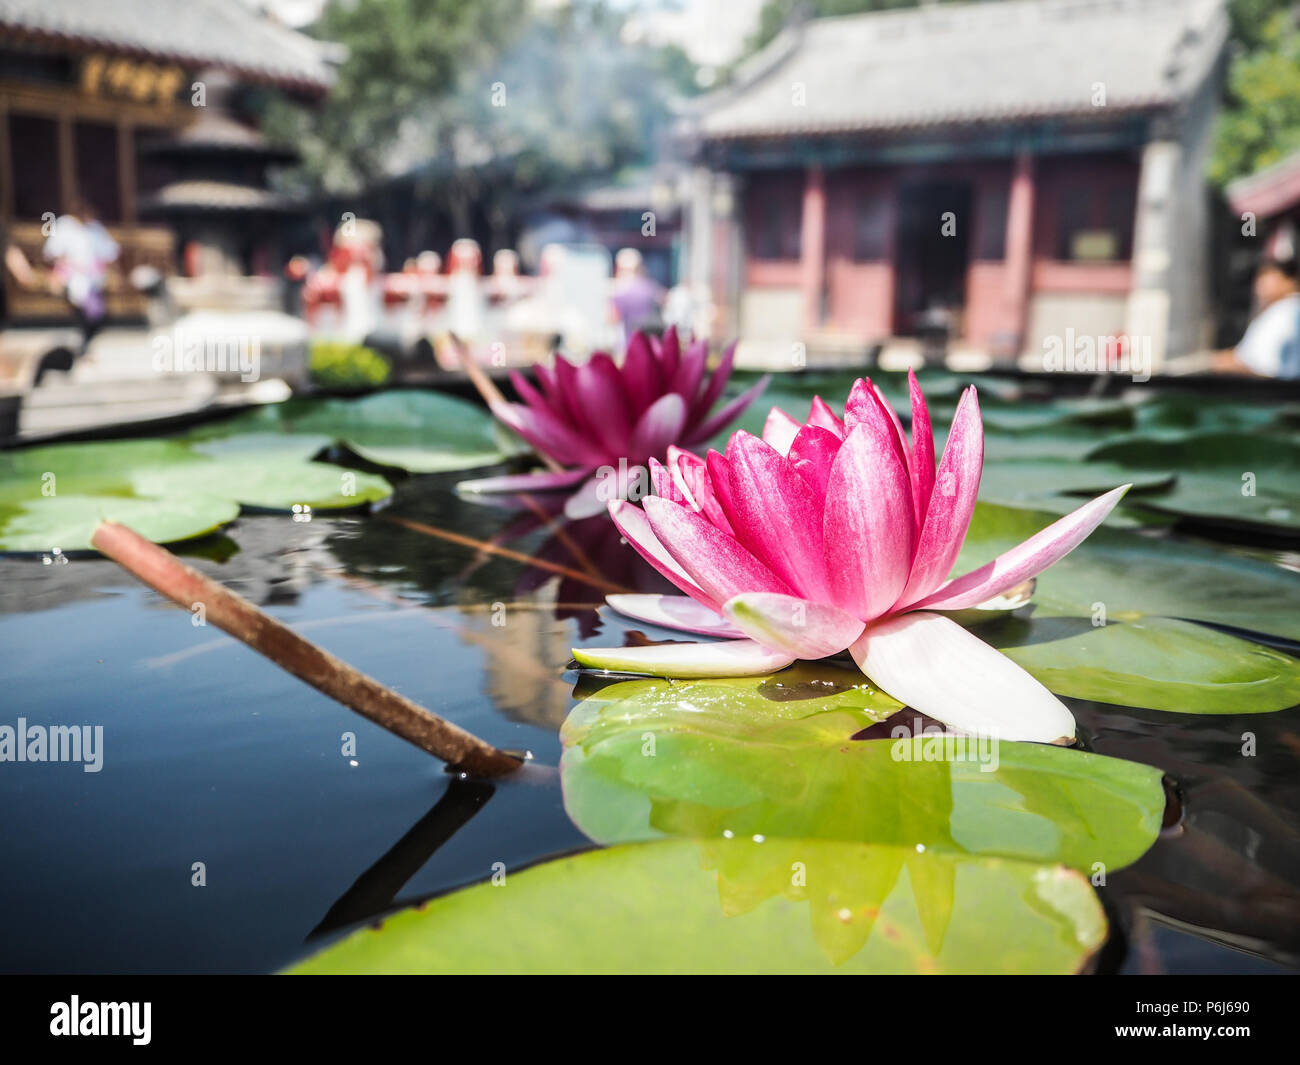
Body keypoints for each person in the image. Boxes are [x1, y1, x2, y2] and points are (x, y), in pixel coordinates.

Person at [42, 197, 119, 352]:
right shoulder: (65, 225)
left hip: (92, 279)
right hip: (72, 277)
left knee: (98, 316)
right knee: (81, 314)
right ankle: (81, 346)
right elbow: (53, 252)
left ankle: (84, 345)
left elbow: (109, 251)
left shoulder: (95, 227)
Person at [1224, 255, 1300, 379]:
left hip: (1273, 393)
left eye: (1268, 276)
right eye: (1260, 277)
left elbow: (1267, 369)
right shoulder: (1274, 310)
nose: (1260, 284)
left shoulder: (1290, 311)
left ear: (1289, 280)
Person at [609, 247, 664, 342]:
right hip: (650, 343)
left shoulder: (620, 290)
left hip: (630, 344)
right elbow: (663, 300)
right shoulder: (650, 286)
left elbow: (612, 319)